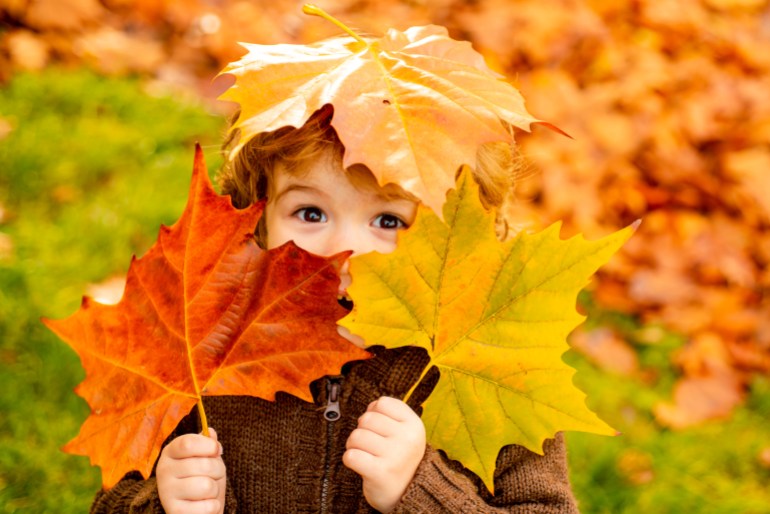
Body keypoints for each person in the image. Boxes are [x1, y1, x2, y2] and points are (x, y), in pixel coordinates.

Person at [90, 101, 579, 513]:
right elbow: (113, 497)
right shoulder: (201, 352)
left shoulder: (493, 369)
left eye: (388, 220)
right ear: (257, 219)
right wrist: (162, 501)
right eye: (311, 213)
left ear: (457, 241)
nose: (343, 251)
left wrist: (419, 488)